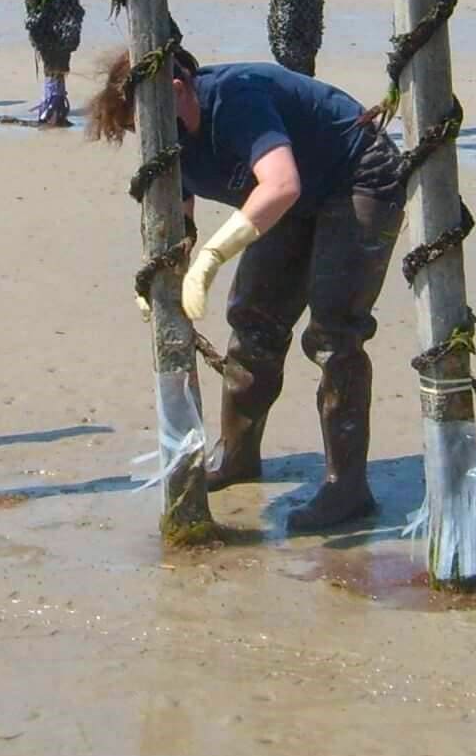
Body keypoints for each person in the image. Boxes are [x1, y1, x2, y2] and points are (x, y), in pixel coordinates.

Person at [86, 45, 406, 531]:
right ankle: (237, 455)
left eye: (142, 122)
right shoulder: (167, 135)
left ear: (177, 90)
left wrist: (214, 257)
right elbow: (181, 215)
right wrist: (164, 274)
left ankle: (348, 488)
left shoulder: (236, 99)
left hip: (358, 174)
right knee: (253, 324)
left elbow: (280, 185)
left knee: (334, 333)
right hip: (298, 198)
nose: (144, 135)